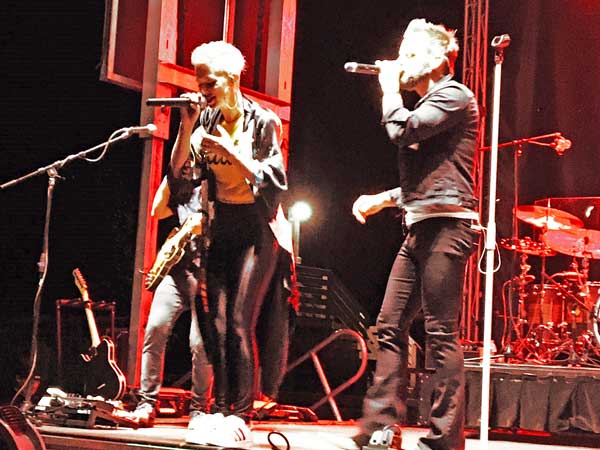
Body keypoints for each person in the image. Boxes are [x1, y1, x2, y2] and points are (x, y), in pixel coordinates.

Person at [350, 19, 480, 450]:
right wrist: (383, 199)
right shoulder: (429, 105)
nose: (401, 60)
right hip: (420, 225)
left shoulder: (454, 96)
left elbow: (401, 129)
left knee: (440, 332)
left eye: (410, 52)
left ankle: (445, 439)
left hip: (448, 227)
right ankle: (381, 427)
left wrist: (388, 90)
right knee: (389, 325)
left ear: (438, 59)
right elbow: (428, 179)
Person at [171, 41, 295, 447]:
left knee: (240, 321)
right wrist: (187, 126)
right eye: (200, 83)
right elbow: (180, 178)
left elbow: (275, 181)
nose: (203, 90)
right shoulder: (205, 119)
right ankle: (220, 410)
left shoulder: (262, 121)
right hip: (221, 224)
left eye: (209, 83)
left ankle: (241, 414)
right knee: (215, 324)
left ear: (231, 79)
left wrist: (231, 153)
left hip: (257, 229)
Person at [132, 162, 213, 427]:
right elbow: (156, 210)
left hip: (208, 276)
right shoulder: (183, 193)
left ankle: (199, 409)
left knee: (200, 345)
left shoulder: (219, 187)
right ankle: (146, 403)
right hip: (177, 274)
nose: (189, 166)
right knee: (155, 329)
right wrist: (171, 175)